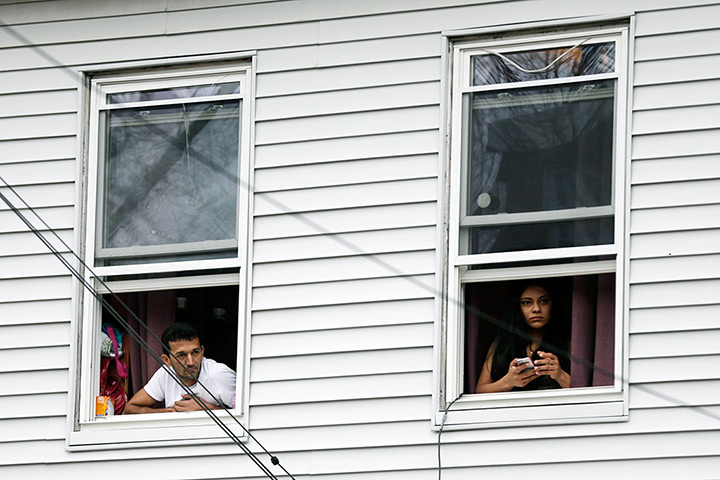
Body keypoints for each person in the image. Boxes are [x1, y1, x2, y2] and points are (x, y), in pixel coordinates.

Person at [475, 280, 570, 393]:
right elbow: (480, 391)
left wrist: (560, 375)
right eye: (527, 303)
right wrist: (508, 382)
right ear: (517, 307)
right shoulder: (502, 344)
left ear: (553, 305)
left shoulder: (568, 342)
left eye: (543, 301)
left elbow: (588, 390)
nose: (536, 309)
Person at [124, 322, 236, 414]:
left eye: (195, 352)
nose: (191, 362)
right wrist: (168, 413)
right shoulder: (165, 374)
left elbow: (248, 416)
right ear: (166, 360)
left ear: (202, 352)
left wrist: (207, 408)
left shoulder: (218, 374)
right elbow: (129, 409)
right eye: (181, 355)